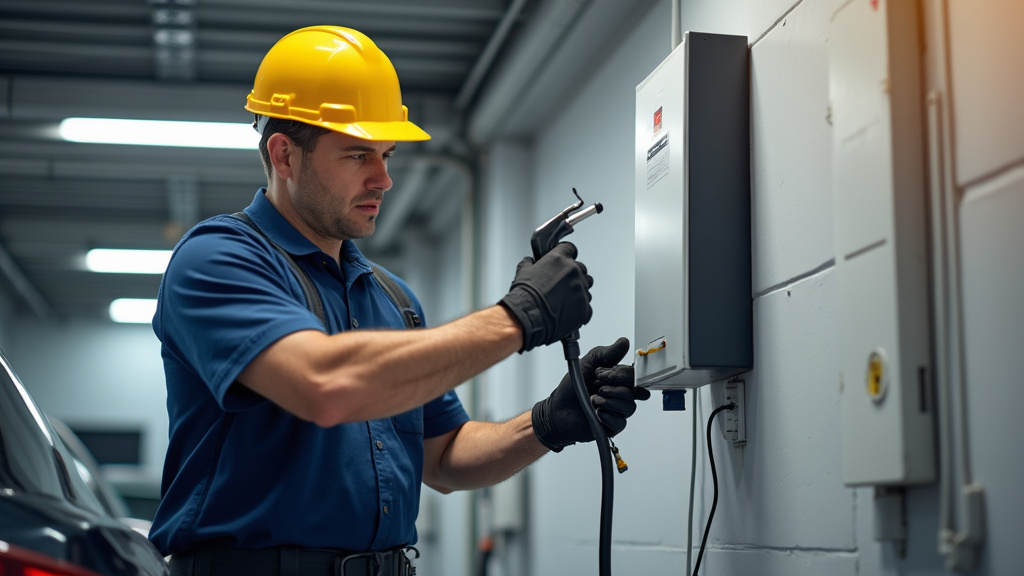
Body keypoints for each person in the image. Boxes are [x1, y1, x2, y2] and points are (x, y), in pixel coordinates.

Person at [149, 25, 650, 576]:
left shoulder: (391, 297)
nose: (384, 179)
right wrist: (521, 315)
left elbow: (443, 456)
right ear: (284, 155)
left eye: (386, 154)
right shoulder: (219, 259)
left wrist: (549, 423)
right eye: (358, 155)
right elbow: (325, 386)